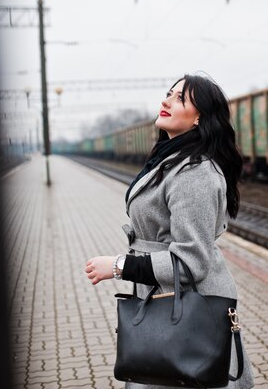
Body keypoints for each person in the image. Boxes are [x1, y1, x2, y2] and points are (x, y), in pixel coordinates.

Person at [85, 73, 255, 389]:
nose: (166, 100)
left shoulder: (195, 172)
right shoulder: (172, 159)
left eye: (180, 98)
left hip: (190, 305)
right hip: (165, 295)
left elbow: (191, 262)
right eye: (168, 93)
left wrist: (120, 266)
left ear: (199, 117)